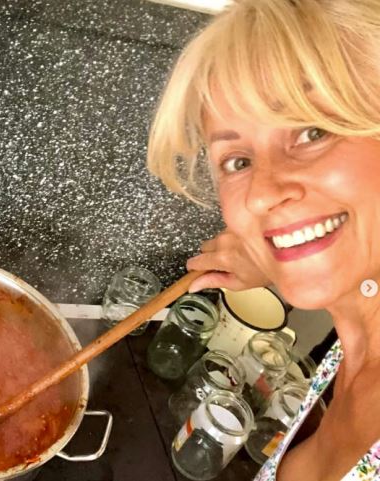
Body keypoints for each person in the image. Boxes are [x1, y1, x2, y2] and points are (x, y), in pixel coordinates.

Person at [146, 0, 380, 479]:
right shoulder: (355, 342)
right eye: (238, 161)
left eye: (313, 131)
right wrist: (277, 259)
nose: (261, 195)